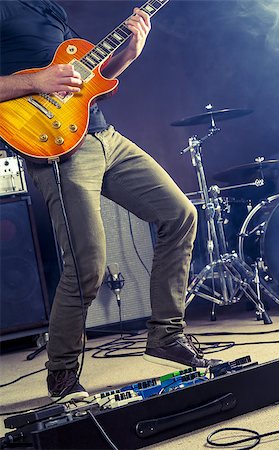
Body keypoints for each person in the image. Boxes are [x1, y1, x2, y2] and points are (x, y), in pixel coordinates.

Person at [0, 0, 221, 402]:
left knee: (180, 215)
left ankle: (166, 335)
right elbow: (46, 81)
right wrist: (37, 82)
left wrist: (127, 56)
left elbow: (87, 83)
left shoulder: (50, 9)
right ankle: (62, 372)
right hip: (57, 147)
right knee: (87, 265)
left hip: (104, 135)